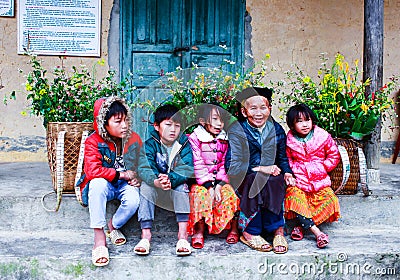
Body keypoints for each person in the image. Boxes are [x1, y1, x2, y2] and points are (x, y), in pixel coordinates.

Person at [226, 87, 296, 254]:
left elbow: (282, 158)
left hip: (271, 174)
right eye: (253, 108)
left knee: (275, 180)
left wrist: (287, 172)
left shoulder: (277, 129)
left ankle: (278, 230)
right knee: (255, 180)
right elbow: (231, 165)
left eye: (263, 108)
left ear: (269, 109)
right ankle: (251, 232)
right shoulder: (237, 131)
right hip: (244, 176)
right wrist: (260, 168)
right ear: (244, 112)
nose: (259, 113)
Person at [77, 96, 142, 267]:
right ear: (103, 123)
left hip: (124, 185)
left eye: (126, 120)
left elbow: (143, 162)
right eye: (118, 121)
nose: (124, 125)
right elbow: (92, 171)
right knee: (97, 184)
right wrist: (122, 175)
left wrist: (138, 177)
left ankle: (112, 225)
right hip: (105, 183)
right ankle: (99, 239)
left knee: (134, 200)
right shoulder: (93, 141)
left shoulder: (133, 138)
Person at [134, 104, 193, 256]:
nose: (173, 129)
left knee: (182, 188)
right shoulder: (150, 145)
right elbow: (145, 167)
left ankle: (182, 236)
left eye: (177, 125)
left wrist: (171, 179)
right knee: (146, 188)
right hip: (155, 185)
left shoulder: (184, 145)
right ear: (156, 126)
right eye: (168, 124)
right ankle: (146, 235)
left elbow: (187, 168)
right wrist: (156, 181)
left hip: (174, 185)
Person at [284, 103, 341, 248]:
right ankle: (318, 233)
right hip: (300, 180)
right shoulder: (289, 141)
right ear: (292, 125)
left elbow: (334, 154)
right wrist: (292, 172)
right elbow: (288, 158)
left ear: (312, 120)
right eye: (299, 121)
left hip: (319, 179)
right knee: (293, 196)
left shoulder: (323, 136)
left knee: (330, 200)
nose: (304, 125)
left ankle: (302, 227)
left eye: (307, 120)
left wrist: (323, 167)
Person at [187, 103, 240, 249]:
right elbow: (197, 163)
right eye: (215, 119)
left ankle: (233, 227)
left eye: (221, 120)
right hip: (202, 181)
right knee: (199, 195)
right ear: (203, 121)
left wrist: (220, 185)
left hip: (221, 181)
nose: (219, 124)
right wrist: (209, 186)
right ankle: (199, 228)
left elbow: (225, 163)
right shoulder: (195, 138)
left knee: (230, 195)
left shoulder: (225, 138)